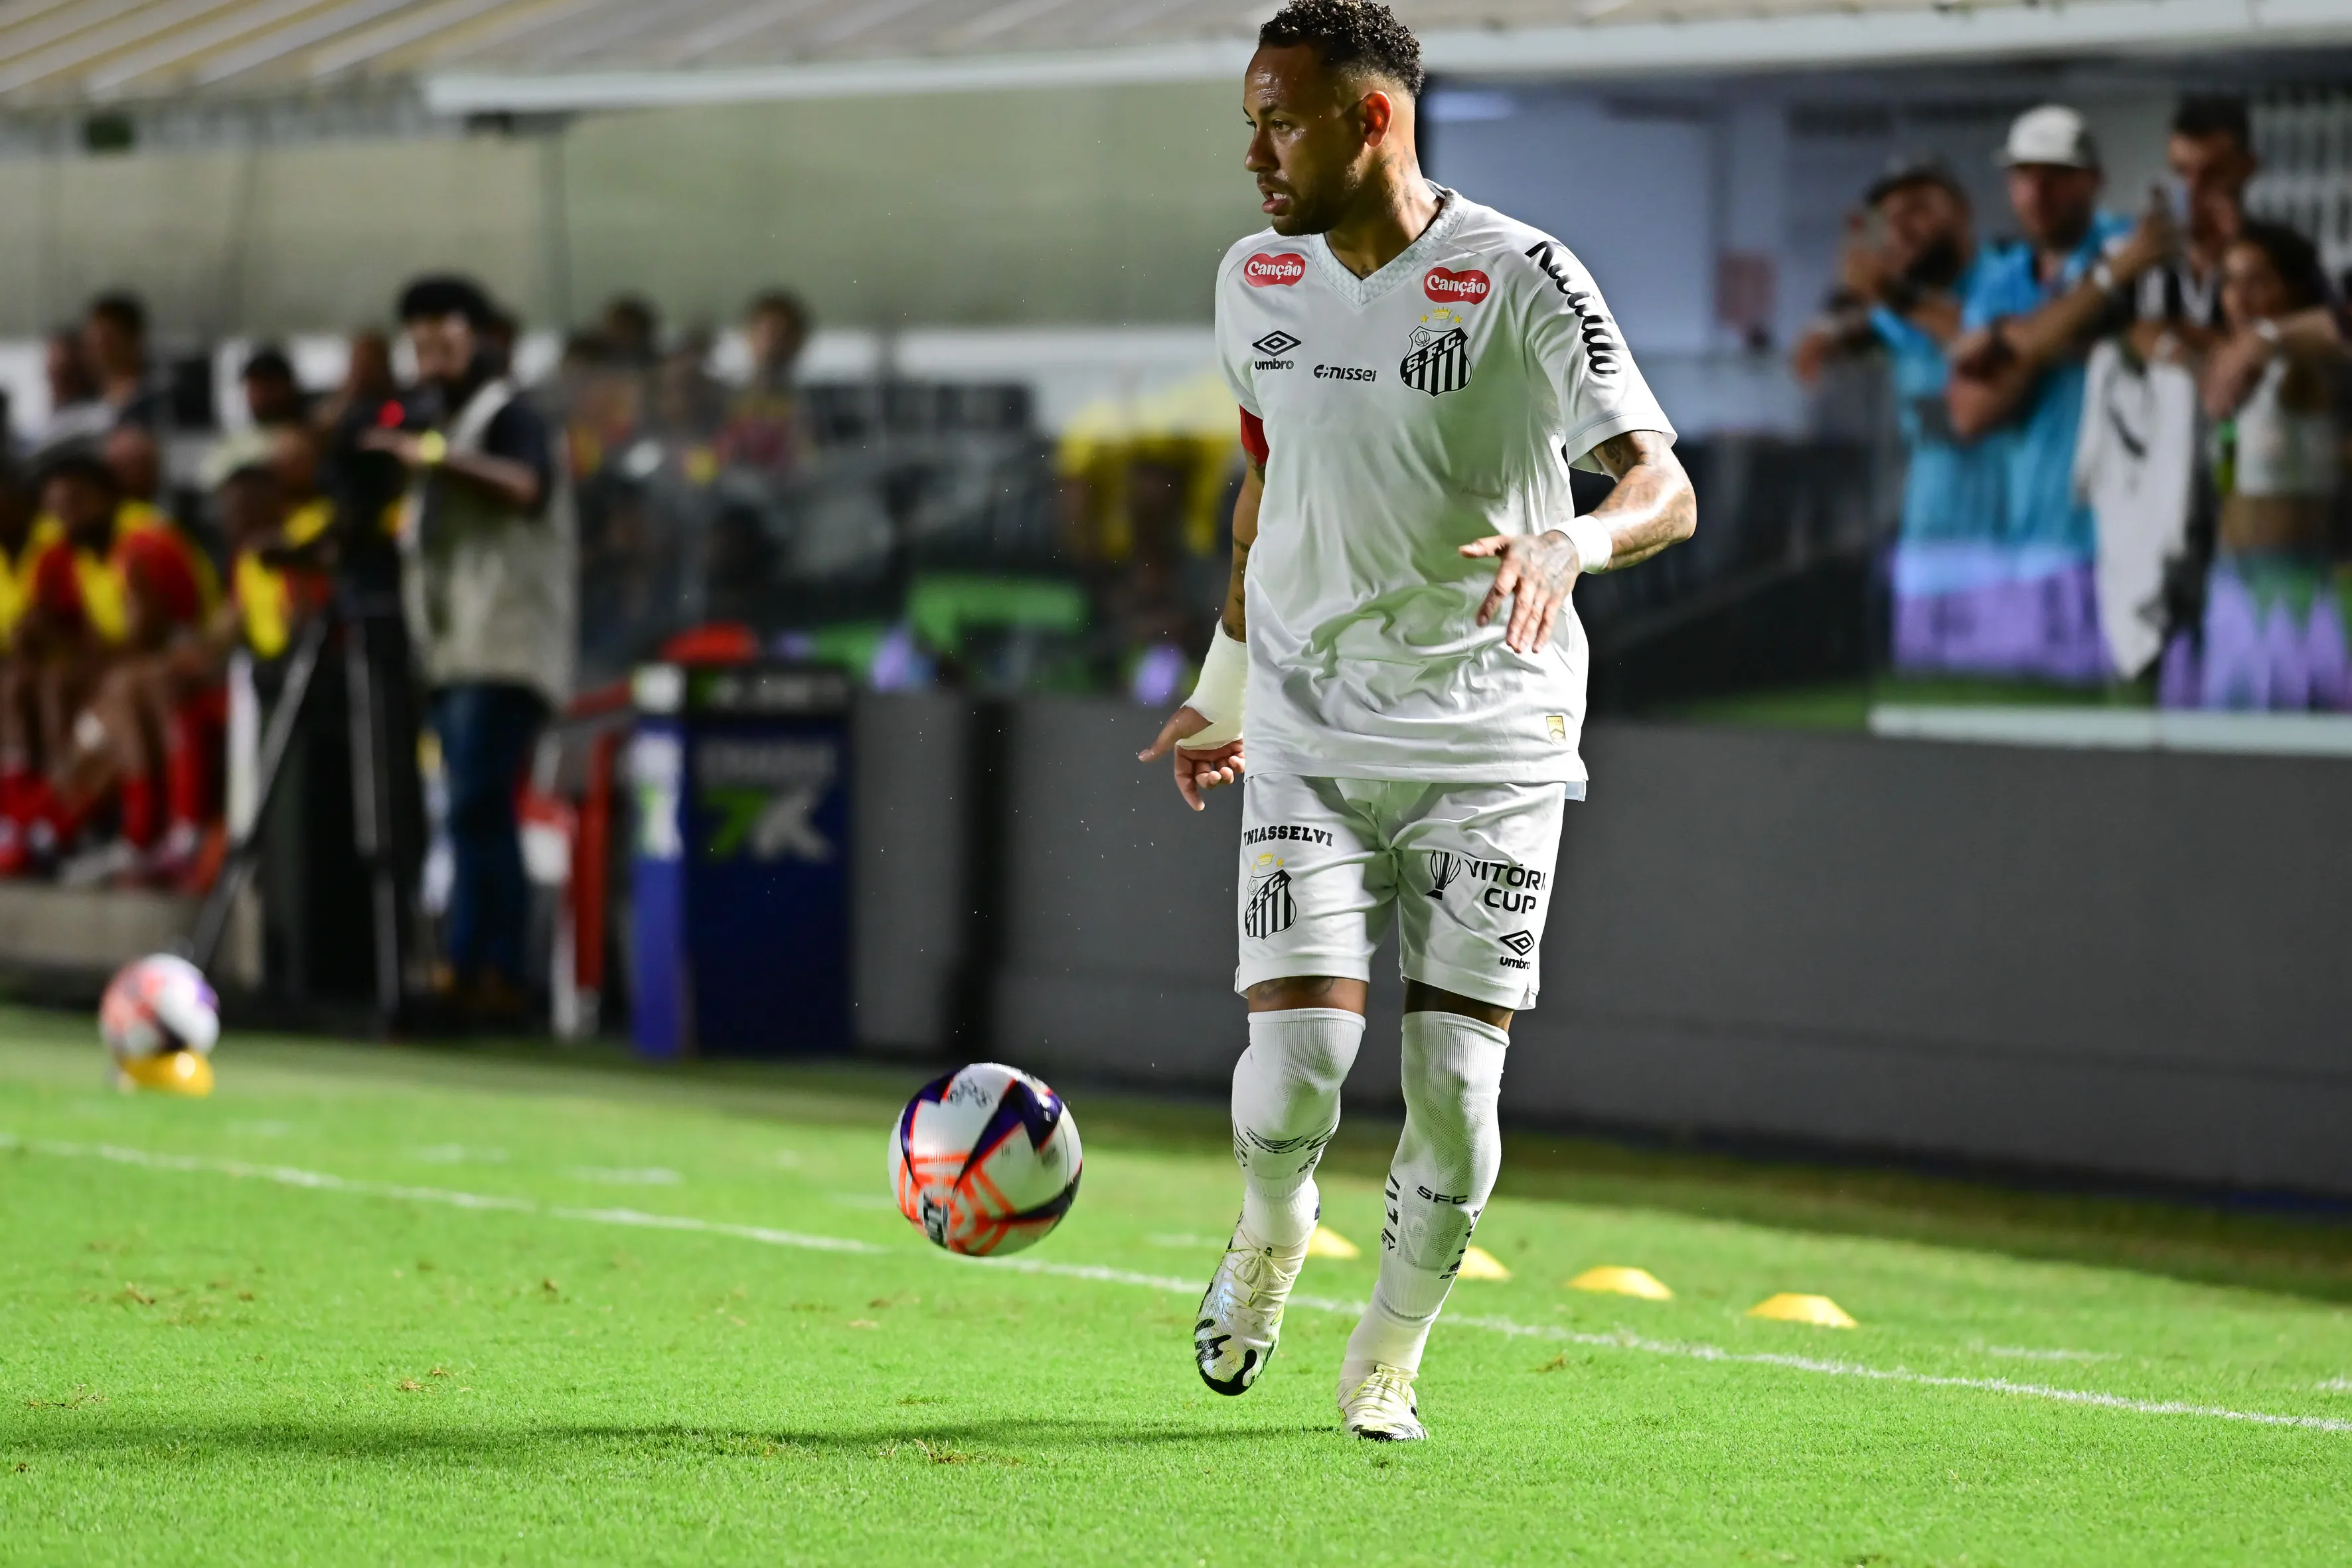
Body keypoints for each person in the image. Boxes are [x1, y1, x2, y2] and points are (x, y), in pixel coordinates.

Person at [1136, 0, 1693, 1443]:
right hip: (1312, 733)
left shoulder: (1519, 275)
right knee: (1301, 1068)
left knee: (1449, 1083)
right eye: (1248, 119)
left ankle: (1387, 1346)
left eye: (1281, 119)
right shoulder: (1252, 277)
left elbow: (1662, 487)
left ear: (1368, 118)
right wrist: (1223, 683)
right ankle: (1270, 1230)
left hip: (1489, 743)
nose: (1254, 150)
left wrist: (1570, 543)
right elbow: (1269, 485)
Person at [371, 275, 573, 1020]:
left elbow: (524, 487)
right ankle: (475, 969)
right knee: (472, 813)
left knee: (477, 808)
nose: (431, 355)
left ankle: (491, 974)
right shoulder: (447, 425)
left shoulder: (510, 415)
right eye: (420, 341)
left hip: (506, 646)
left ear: (484, 338)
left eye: (445, 338)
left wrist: (429, 456)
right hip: (460, 651)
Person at [2172, 222, 2350, 709]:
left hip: (2302, 580)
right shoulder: (2220, 361)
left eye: (2259, 282)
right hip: (2229, 580)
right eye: (2229, 282)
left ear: (2292, 288)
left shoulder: (2311, 361)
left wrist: (2270, 337)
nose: (2240, 298)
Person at [716, 291, 809, 474]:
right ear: (748, 335)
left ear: (798, 340)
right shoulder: (723, 395)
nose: (774, 343)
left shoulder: (811, 400)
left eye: (783, 336)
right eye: (767, 332)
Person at [84, 292, 169, 431]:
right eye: (94, 339)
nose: (100, 348)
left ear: (133, 340)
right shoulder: (89, 399)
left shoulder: (156, 399)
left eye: (108, 340)